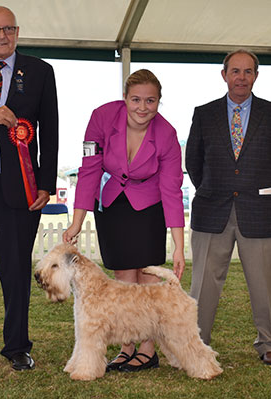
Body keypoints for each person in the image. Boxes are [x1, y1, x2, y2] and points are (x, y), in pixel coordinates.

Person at [63, 69, 185, 372]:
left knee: (146, 279)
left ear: (159, 102)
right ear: (125, 98)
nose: (142, 107)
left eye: (150, 101)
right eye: (136, 100)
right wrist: (77, 222)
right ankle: (126, 347)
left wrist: (180, 247)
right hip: (111, 205)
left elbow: (172, 190)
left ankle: (147, 348)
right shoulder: (101, 118)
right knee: (122, 280)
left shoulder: (167, 134)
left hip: (148, 207)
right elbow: (89, 169)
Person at [0, 6, 58, 370]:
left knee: (17, 271)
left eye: (7, 29)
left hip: (20, 191)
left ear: (18, 32)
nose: (1, 35)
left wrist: (47, 183)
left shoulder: (40, 71)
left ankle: (17, 347)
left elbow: (50, 129)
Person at [186, 49, 271, 365]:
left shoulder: (269, 113)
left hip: (260, 212)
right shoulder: (204, 114)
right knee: (203, 284)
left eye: (248, 71)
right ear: (224, 75)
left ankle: (268, 343)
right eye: (235, 71)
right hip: (212, 210)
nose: (241, 77)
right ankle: (195, 345)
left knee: (265, 285)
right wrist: (211, 189)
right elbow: (193, 161)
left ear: (256, 76)